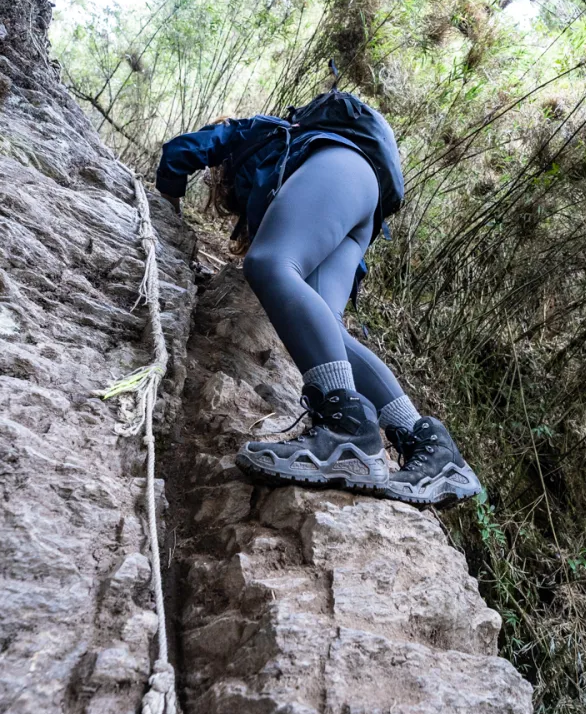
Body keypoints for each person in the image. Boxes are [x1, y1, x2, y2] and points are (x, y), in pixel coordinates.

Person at [154, 88, 482, 507]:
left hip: (338, 165)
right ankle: (432, 452)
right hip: (363, 198)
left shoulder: (254, 132)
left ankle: (347, 436)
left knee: (269, 263)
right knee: (328, 329)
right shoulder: (298, 174)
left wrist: (168, 215)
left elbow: (182, 150)